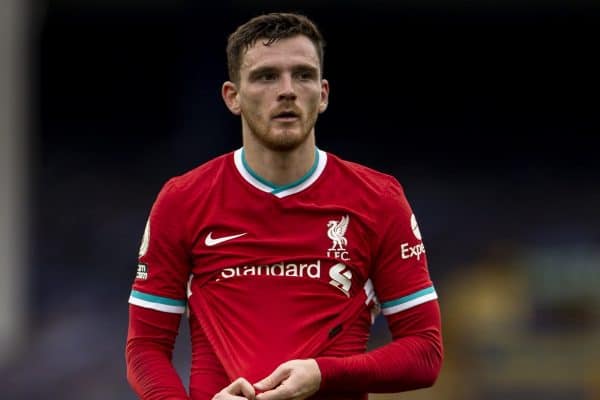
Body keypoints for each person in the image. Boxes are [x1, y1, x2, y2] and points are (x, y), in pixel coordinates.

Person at [126, 12, 443, 400]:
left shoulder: (378, 199)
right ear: (233, 97)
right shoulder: (183, 199)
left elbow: (425, 352)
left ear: (323, 94)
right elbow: (145, 349)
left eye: (304, 75)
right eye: (266, 76)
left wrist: (323, 374)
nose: (288, 90)